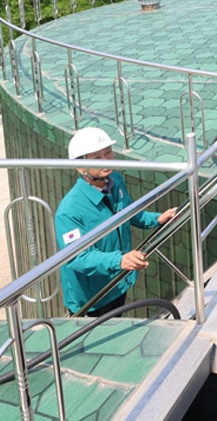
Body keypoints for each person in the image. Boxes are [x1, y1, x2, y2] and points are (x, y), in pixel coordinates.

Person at [55, 127, 178, 317]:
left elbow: (128, 212)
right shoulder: (69, 211)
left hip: (118, 282)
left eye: (108, 152)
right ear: (80, 167)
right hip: (91, 300)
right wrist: (120, 260)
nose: (106, 160)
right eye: (97, 158)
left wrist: (156, 219)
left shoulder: (115, 181)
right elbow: (77, 258)